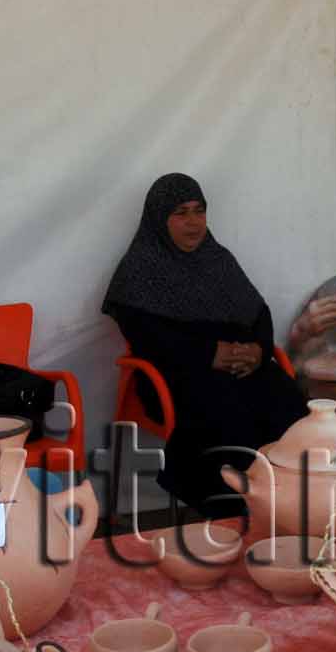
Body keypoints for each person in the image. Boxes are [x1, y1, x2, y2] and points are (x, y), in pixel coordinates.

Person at [103, 173, 310, 514]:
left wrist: (258, 351)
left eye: (199, 211)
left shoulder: (217, 259)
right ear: (159, 217)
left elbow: (258, 311)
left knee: (285, 399)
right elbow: (147, 337)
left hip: (242, 367)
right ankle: (234, 509)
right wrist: (211, 355)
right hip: (175, 374)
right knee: (228, 410)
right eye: (181, 212)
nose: (193, 222)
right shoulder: (139, 269)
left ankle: (293, 499)